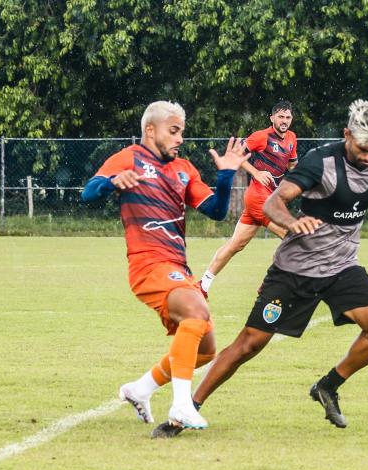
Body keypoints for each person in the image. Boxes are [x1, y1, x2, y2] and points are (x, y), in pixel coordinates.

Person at [150, 100, 368, 436]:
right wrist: (292, 223)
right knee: (248, 345)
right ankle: (186, 411)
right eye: (363, 148)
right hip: (295, 270)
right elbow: (273, 203)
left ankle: (327, 386)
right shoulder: (320, 162)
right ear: (346, 135)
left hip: (342, 266)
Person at [81, 100, 250, 432]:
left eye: (181, 132)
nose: (179, 139)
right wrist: (112, 182)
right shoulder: (129, 157)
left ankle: (140, 389)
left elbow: (216, 210)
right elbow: (88, 193)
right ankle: (181, 404)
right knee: (196, 313)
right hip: (147, 265)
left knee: (205, 349)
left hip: (176, 266)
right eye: (173, 131)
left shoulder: (184, 169)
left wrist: (227, 174)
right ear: (150, 130)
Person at [198, 101, 298, 297]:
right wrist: (256, 171)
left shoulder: (292, 138)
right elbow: (237, 155)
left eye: (287, 117)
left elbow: (293, 166)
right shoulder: (262, 136)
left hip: (269, 199)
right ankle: (270, 284)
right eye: (280, 117)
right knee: (294, 239)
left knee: (236, 245)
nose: (284, 121)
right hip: (259, 198)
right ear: (272, 118)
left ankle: (202, 285)